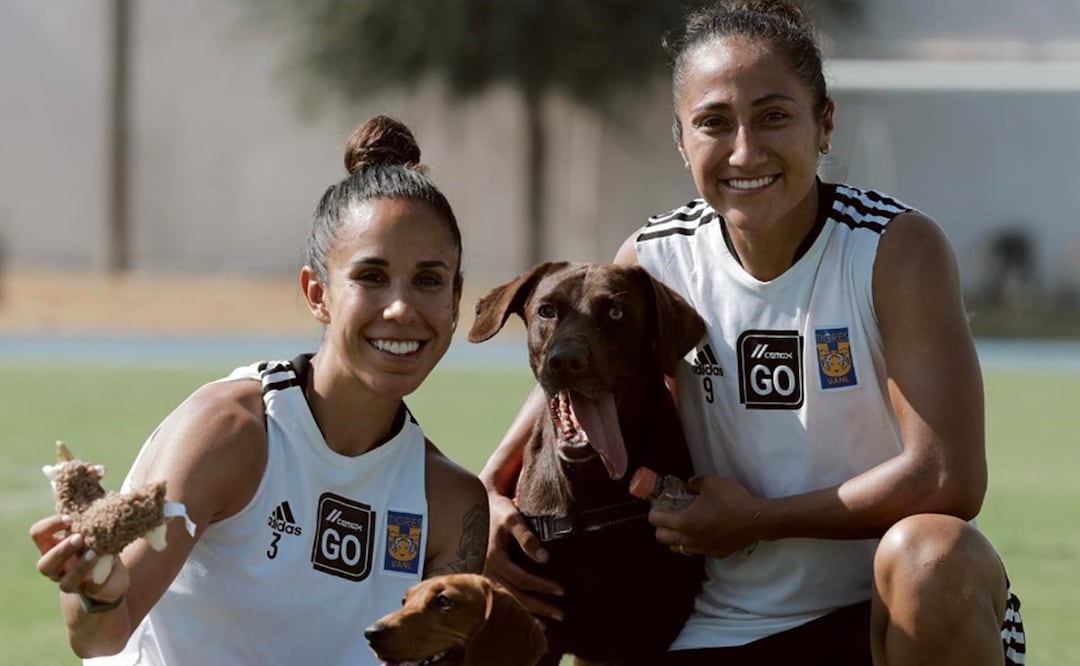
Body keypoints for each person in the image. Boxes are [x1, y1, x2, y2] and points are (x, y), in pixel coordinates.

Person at [479, 2, 1025, 664]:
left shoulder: (893, 248)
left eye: (773, 116)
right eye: (713, 123)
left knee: (933, 556)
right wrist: (488, 492)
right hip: (723, 624)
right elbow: (582, 369)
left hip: (884, 616)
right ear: (681, 141)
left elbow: (948, 478)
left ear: (824, 124)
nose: (745, 150)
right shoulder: (656, 259)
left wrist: (759, 519)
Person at [29, 115, 488, 665]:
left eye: (429, 281)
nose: (401, 308)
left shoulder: (450, 504)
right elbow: (101, 635)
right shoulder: (232, 432)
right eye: (371, 277)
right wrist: (96, 589)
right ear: (317, 293)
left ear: (455, 300)